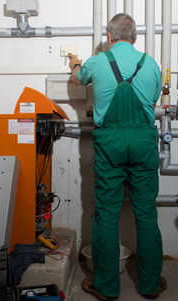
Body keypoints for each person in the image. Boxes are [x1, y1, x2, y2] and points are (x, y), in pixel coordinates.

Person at [68, 13, 167, 301]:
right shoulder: (151, 65)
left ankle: (107, 287)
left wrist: (75, 62)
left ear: (109, 38)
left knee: (106, 215)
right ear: (135, 38)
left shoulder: (98, 62)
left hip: (109, 143)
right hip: (142, 143)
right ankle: (149, 286)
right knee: (147, 215)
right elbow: (151, 101)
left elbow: (78, 77)